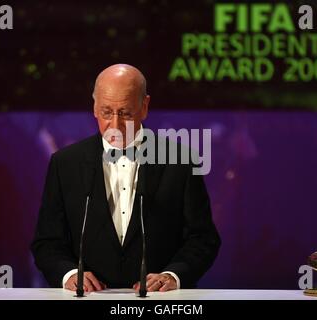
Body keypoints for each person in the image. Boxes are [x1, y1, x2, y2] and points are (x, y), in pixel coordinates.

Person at [31, 64, 220, 292]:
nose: (115, 125)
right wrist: (69, 274)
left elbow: (203, 238)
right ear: (94, 108)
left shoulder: (180, 161)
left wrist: (174, 275)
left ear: (144, 107)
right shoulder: (65, 164)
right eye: (106, 112)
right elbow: (47, 242)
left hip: (159, 302)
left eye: (125, 113)